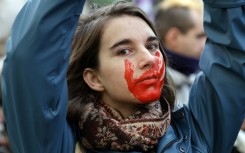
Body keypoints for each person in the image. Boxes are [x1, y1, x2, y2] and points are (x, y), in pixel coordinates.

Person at [1, 0, 245, 153]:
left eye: (151, 46)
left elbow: (232, 58)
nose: (149, 59)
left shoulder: (198, 134)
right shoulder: (54, 143)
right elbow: (29, 58)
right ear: (93, 77)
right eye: (124, 50)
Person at [154, 0, 206, 107]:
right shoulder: (155, 89)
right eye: (200, 36)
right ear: (174, 37)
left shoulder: (201, 80)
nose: (205, 43)